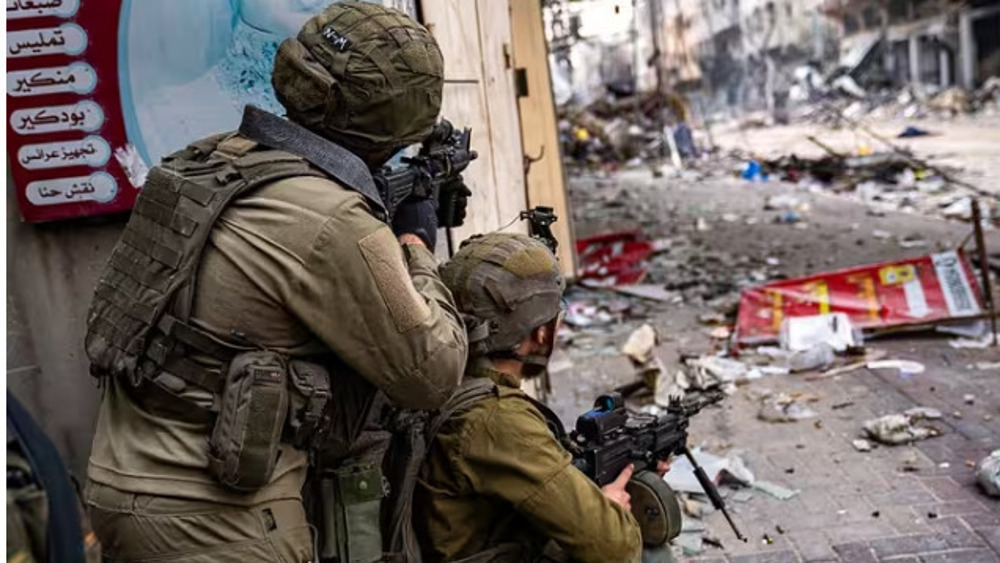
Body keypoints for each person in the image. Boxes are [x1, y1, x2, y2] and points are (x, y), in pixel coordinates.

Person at [83, 3, 466, 561]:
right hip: (216, 520)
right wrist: (414, 244)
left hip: (120, 483)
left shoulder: (216, 159)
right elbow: (433, 373)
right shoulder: (334, 221)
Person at [415, 233, 667, 562]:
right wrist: (611, 505)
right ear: (541, 332)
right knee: (651, 554)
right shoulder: (498, 418)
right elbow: (615, 548)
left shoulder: (431, 379)